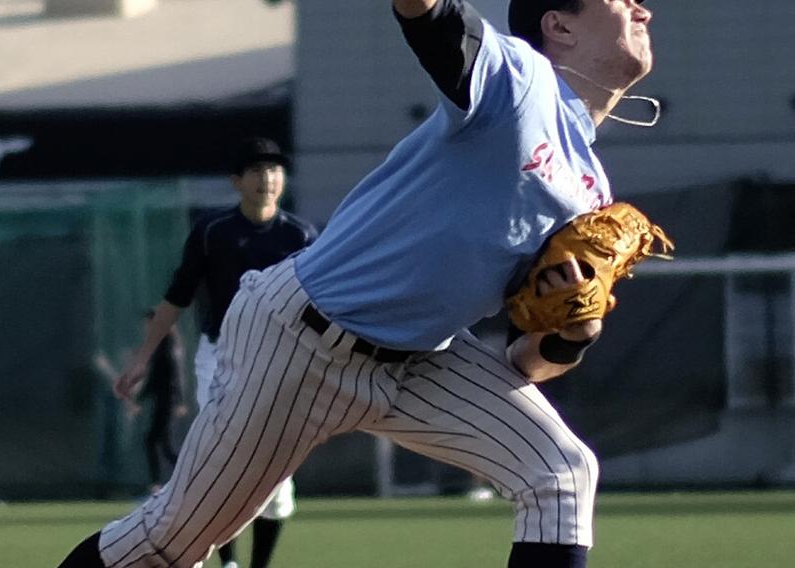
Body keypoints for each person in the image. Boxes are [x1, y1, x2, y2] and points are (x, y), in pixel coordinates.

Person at [58, 0, 656, 566]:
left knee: (561, 472)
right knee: (171, 543)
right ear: (560, 25)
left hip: (422, 359)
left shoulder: (593, 195)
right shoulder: (519, 79)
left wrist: (578, 330)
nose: (642, 8)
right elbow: (431, 18)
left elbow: (526, 361)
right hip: (303, 339)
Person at [62, 136, 318, 568]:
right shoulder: (213, 232)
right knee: (224, 454)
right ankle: (229, 562)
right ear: (236, 181)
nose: (267, 178)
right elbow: (175, 299)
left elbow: (318, 304)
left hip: (280, 359)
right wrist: (141, 359)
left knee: (278, 478)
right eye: (255, 170)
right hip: (222, 356)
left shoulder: (300, 235)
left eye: (274, 170)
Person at [96, 312, 190, 494]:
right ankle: (183, 478)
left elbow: (169, 377)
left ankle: (161, 482)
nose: (146, 329)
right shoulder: (161, 346)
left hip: (167, 400)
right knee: (162, 443)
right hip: (165, 399)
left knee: (154, 440)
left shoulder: (167, 346)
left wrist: (178, 401)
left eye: (149, 324)